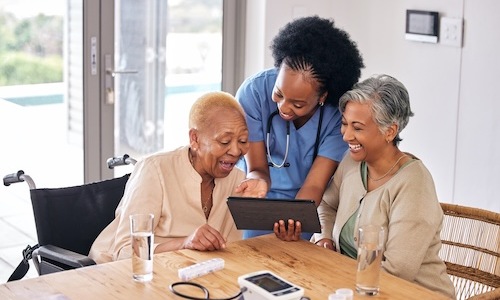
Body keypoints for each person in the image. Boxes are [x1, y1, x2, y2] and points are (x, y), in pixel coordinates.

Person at [309, 74, 455, 298]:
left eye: (357, 128)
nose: (346, 135)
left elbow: (397, 272)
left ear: (390, 131)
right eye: (345, 123)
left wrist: (335, 275)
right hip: (352, 289)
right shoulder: (351, 162)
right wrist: (325, 237)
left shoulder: (414, 183)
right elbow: (326, 205)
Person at [88, 91, 266, 263]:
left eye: (243, 141)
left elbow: (228, 252)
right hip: (114, 275)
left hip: (183, 275)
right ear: (194, 139)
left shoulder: (238, 181)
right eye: (224, 141)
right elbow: (124, 252)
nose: (236, 151)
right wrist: (184, 243)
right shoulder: (154, 170)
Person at [234, 16, 364, 239]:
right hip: (256, 200)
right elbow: (257, 168)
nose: (284, 107)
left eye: (298, 104)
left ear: (323, 96)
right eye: (279, 94)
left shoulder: (338, 114)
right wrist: (256, 180)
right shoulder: (254, 92)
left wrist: (295, 218)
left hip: (304, 206)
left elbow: (315, 185)